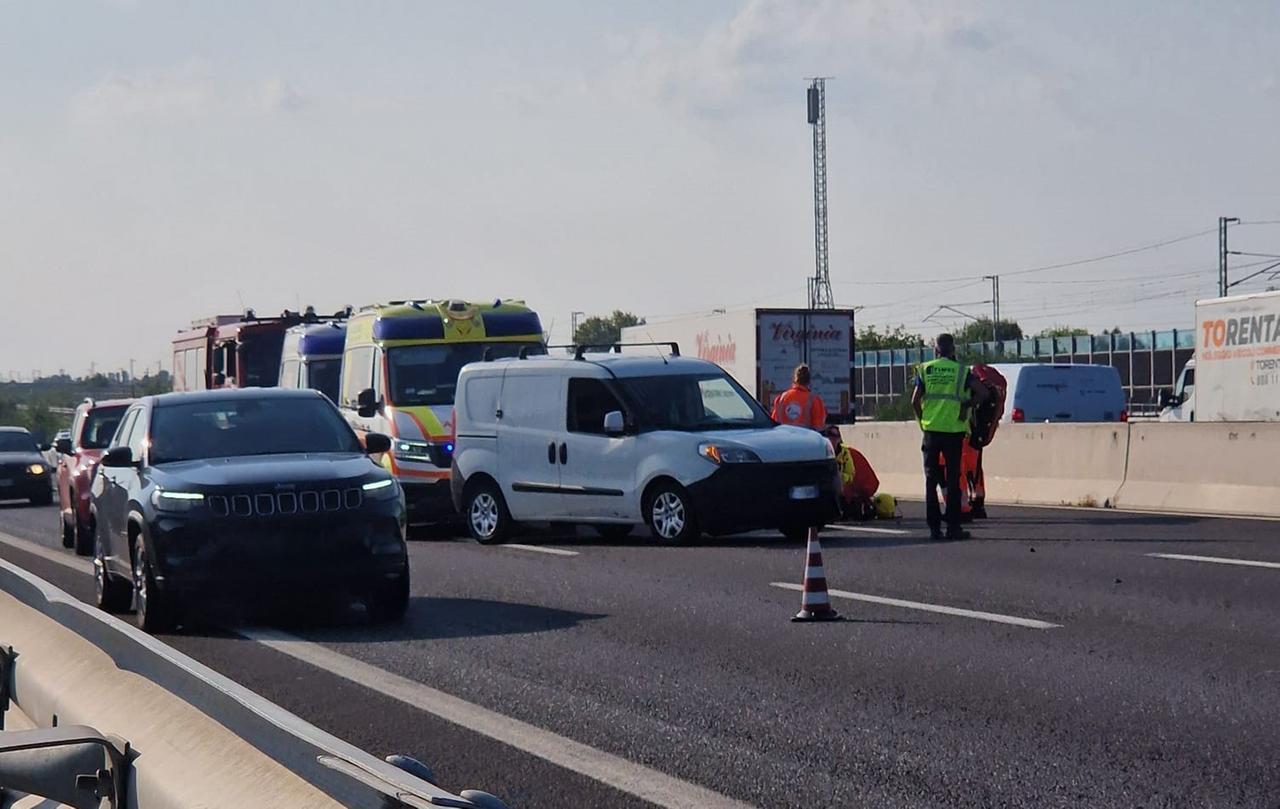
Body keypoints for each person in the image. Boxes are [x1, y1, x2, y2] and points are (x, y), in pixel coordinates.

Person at [911, 334, 987, 540]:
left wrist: (922, 420)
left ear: (935, 350)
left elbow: (914, 401)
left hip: (931, 432)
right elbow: (982, 392)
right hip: (954, 432)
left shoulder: (925, 369)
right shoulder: (962, 371)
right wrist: (966, 406)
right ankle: (954, 527)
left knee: (930, 481)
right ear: (953, 350)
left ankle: (934, 529)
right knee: (953, 481)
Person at [823, 425, 879, 520]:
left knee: (852, 512)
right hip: (825, 488)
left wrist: (840, 477)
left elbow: (851, 473)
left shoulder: (845, 453)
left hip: (842, 489)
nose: (832, 439)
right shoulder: (820, 452)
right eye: (829, 436)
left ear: (839, 439)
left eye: (835, 436)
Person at [771, 364, 828, 430]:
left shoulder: (781, 398)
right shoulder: (814, 400)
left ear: (794, 379)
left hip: (783, 438)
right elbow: (819, 427)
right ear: (809, 381)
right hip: (804, 439)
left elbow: (774, 423)